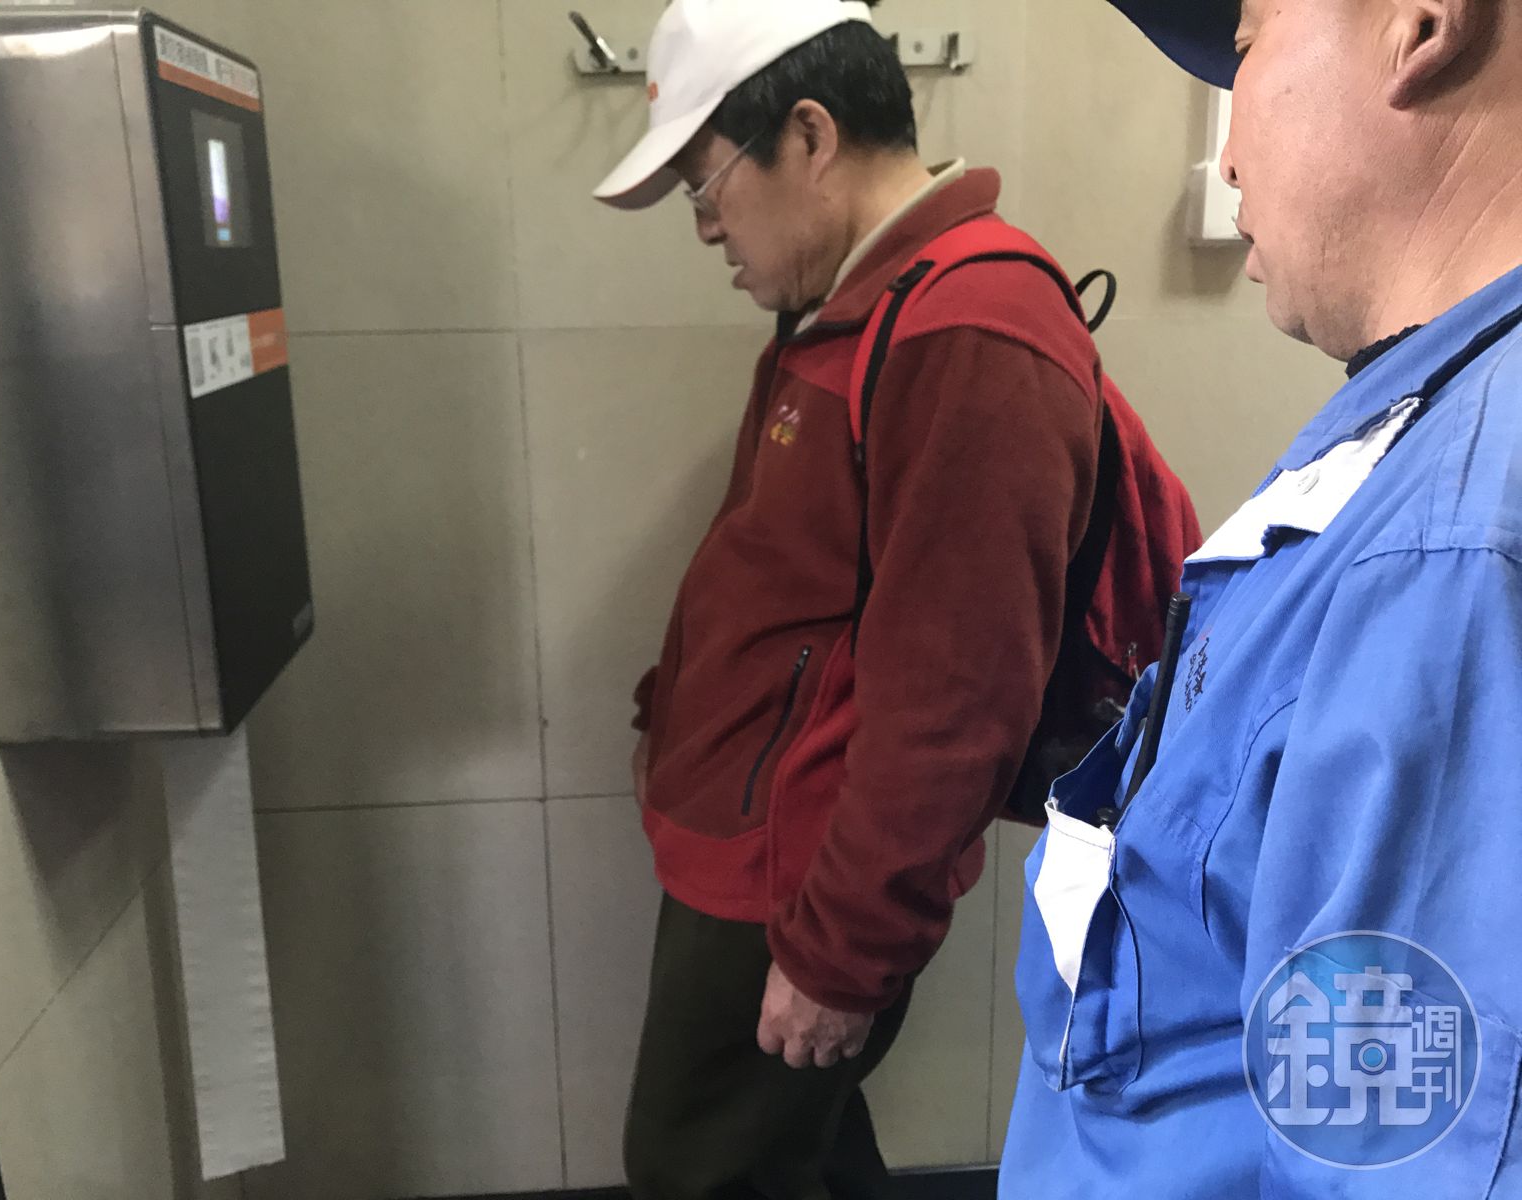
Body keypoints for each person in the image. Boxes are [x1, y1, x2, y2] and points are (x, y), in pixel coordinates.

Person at [592, 1, 1198, 1196]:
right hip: (758, 849)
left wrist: (841, 955)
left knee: (694, 1167)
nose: (705, 225)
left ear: (809, 136)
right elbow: (784, 579)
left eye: (706, 185)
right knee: (792, 1153)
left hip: (795, 877)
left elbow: (956, 697)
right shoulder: (856, 306)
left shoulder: (969, 330)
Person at [1003, 0, 1522, 1194]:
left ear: (1422, 24)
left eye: (1245, 43)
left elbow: (1398, 1157)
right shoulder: (1422, 430)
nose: (1227, 153)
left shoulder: (1453, 545)